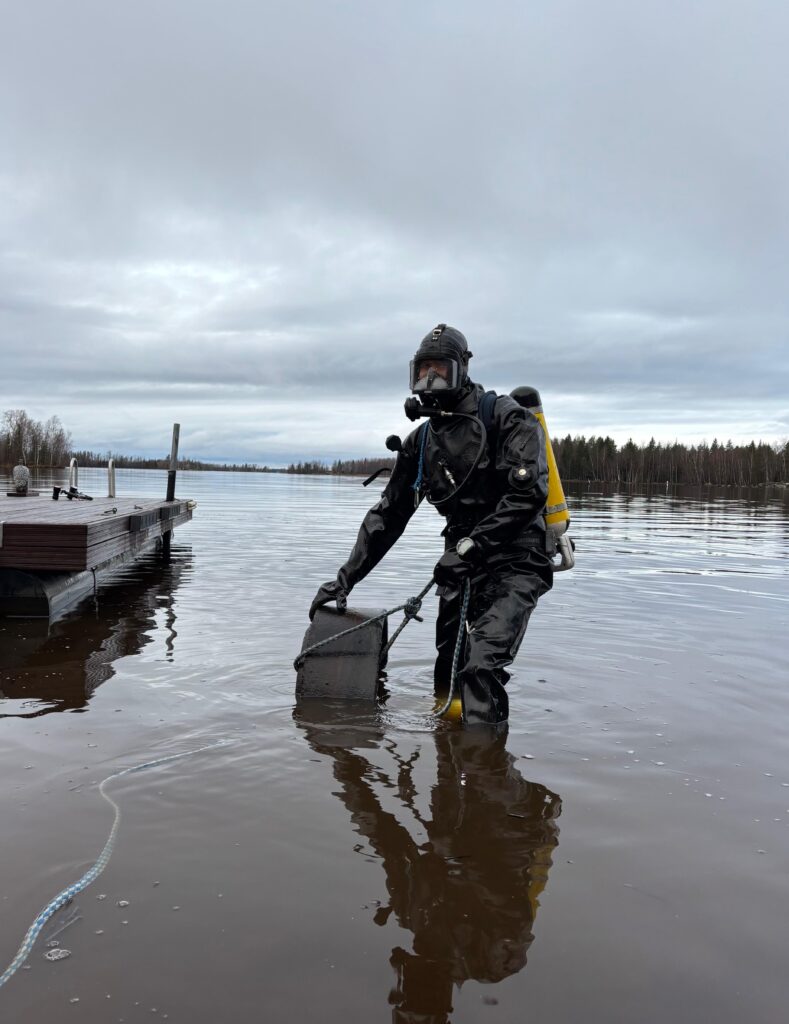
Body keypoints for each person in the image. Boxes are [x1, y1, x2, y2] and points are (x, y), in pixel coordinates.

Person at [309, 324, 554, 725]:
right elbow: (388, 515)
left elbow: (528, 495)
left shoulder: (507, 418)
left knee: (480, 665)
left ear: (462, 369)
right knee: (448, 662)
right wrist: (345, 578)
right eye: (423, 371)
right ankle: (448, 740)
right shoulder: (421, 442)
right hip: (459, 559)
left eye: (440, 369)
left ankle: (482, 752)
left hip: (517, 557)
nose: (430, 380)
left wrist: (473, 547)